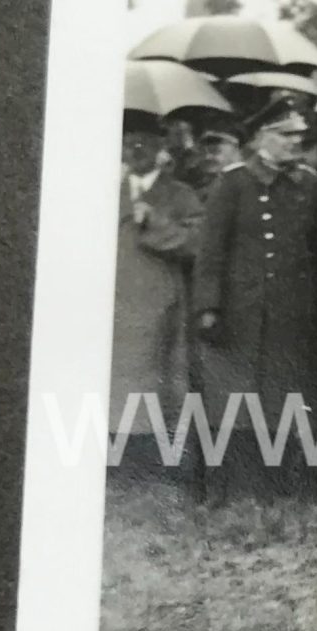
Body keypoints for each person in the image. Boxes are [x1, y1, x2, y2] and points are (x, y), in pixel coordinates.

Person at [189, 96, 317, 503]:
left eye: (299, 136)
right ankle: (238, 489)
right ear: (260, 138)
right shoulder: (233, 184)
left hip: (294, 315)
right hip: (241, 316)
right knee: (237, 404)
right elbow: (210, 252)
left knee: (293, 401)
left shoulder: (309, 184)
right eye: (286, 135)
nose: (295, 142)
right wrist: (208, 308)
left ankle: (299, 488)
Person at [110, 110, 203, 484]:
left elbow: (197, 243)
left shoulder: (180, 195)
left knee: (156, 386)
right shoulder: (107, 191)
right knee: (115, 384)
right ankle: (116, 465)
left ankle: (159, 466)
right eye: (128, 140)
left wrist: (154, 222)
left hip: (159, 305)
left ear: (161, 147)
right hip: (114, 305)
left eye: (145, 141)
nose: (135, 148)